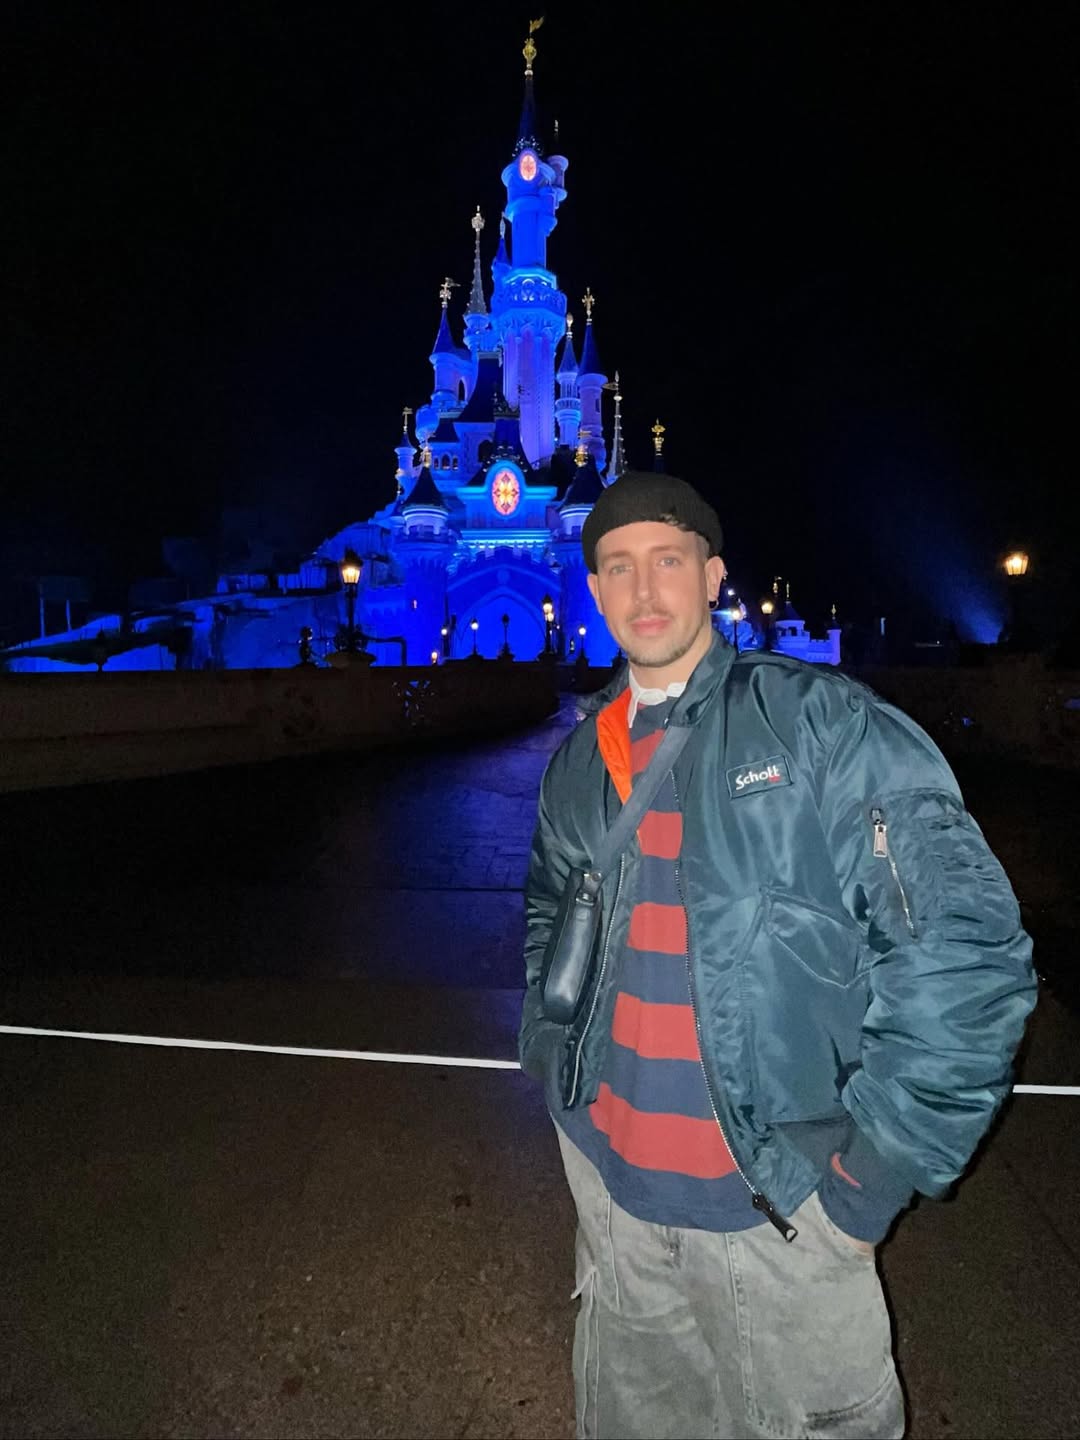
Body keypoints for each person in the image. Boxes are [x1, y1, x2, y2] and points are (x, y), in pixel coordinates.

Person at [518, 470, 1036, 1440]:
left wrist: (867, 1182)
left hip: (779, 1215)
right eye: (618, 567)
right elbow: (549, 918)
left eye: (668, 561)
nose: (643, 590)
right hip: (614, 1202)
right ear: (592, 589)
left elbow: (965, 959)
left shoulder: (820, 725)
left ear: (713, 576)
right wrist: (557, 1067)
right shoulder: (581, 762)